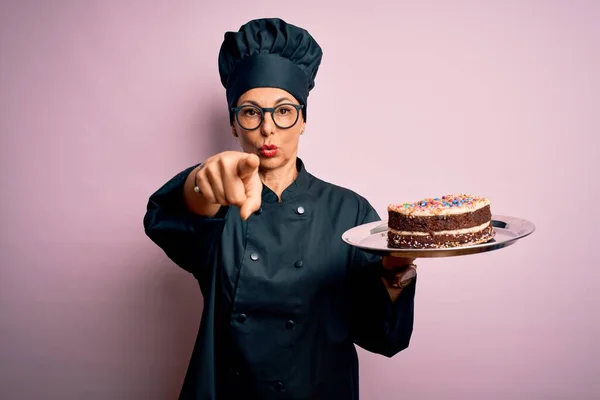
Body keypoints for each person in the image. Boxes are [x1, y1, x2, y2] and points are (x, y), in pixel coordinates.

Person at [143, 18, 418, 400]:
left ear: (303, 119)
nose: (268, 128)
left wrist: (395, 270)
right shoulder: (218, 204)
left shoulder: (350, 212)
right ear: (234, 124)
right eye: (251, 112)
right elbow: (171, 219)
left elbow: (382, 338)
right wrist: (201, 182)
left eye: (284, 110)